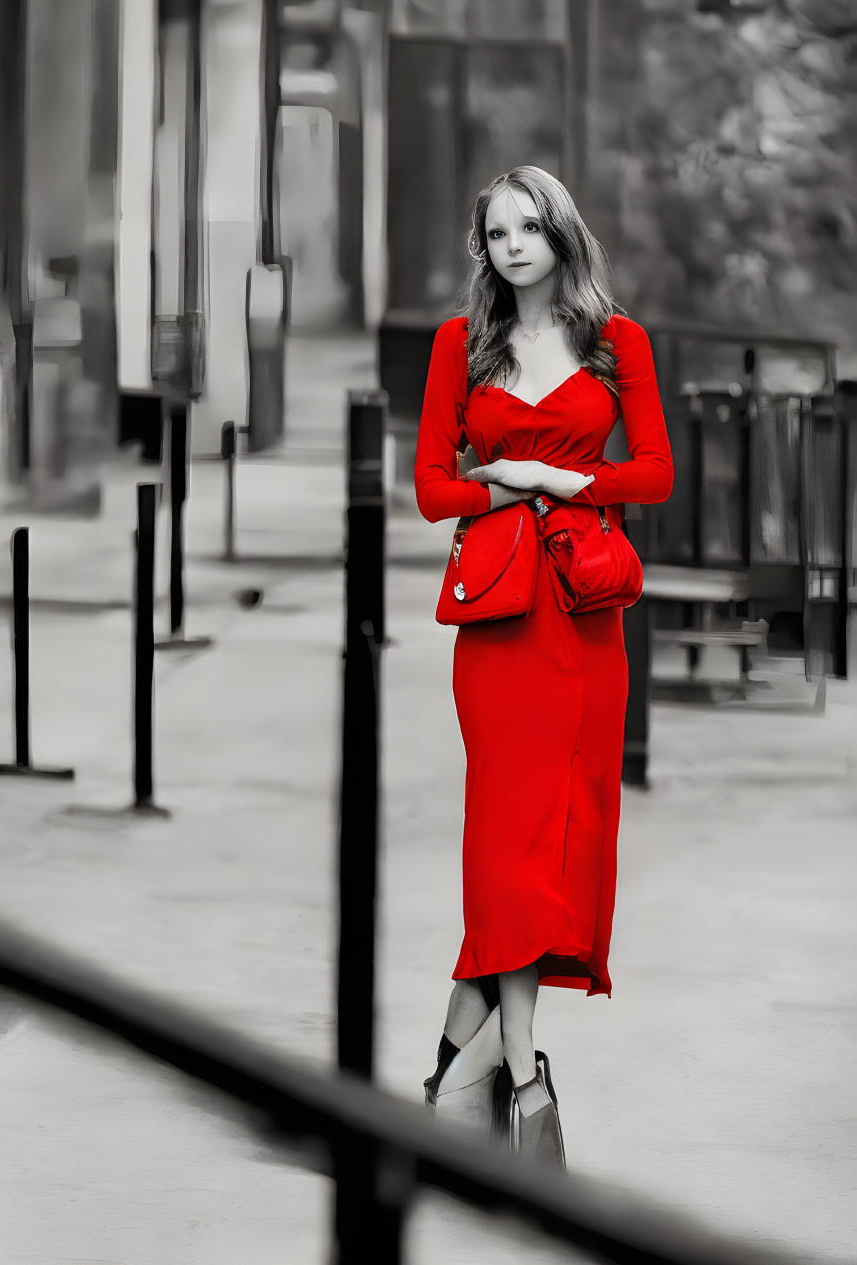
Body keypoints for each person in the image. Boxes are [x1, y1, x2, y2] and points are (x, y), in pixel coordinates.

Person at [411, 165, 674, 1164]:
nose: (512, 244)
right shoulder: (458, 344)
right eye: (494, 232)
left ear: (562, 235)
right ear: (482, 247)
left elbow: (651, 471)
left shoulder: (618, 343)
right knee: (503, 851)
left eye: (529, 227)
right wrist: (503, 494)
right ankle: (523, 1075)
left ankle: (450, 1079)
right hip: (497, 628)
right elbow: (435, 486)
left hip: (582, 621)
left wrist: (547, 473)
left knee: (554, 849)